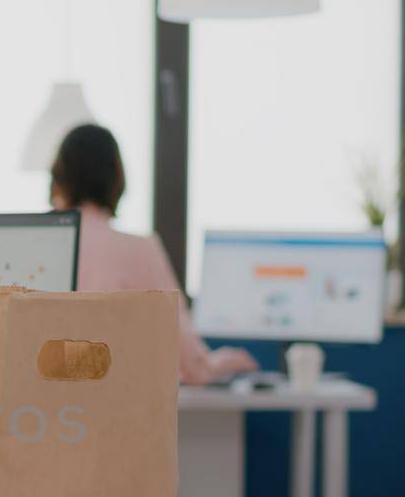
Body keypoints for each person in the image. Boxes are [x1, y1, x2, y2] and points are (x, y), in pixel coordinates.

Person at [52, 123, 257, 385]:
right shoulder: (139, 250)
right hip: (115, 414)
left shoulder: (37, 247)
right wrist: (229, 361)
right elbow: (193, 366)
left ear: (59, 179)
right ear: (116, 178)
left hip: (38, 416)